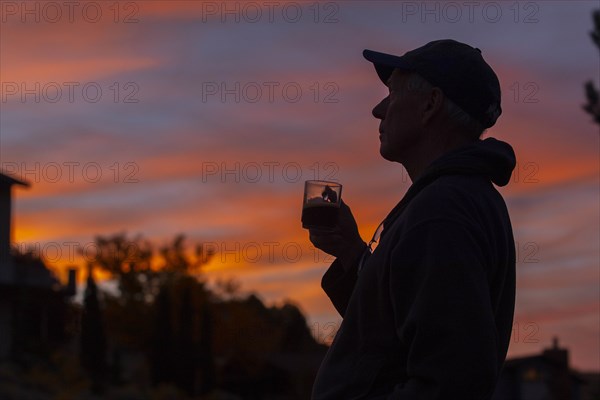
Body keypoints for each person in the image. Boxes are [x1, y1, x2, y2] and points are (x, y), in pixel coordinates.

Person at [308, 39, 517, 399]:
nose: (378, 109)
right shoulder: (454, 200)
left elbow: (451, 381)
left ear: (430, 104)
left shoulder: (443, 212)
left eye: (392, 92)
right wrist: (352, 253)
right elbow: (391, 341)